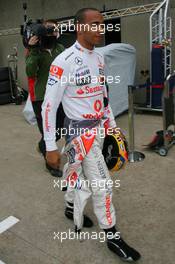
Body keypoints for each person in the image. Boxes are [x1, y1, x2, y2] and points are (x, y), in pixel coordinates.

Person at [42, 8, 141, 262]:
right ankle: (111, 236)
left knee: (80, 175)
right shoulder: (63, 61)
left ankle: (69, 206)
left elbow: (103, 97)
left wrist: (110, 127)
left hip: (99, 129)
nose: (101, 29)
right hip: (79, 133)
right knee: (103, 185)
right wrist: (51, 147)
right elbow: (49, 106)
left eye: (103, 24)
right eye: (95, 24)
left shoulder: (98, 58)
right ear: (79, 27)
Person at [26, 20, 65, 177]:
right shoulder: (33, 51)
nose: (51, 33)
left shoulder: (60, 48)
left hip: (60, 95)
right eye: (48, 30)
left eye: (54, 30)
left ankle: (42, 144)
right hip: (41, 97)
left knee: (59, 130)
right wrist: (33, 49)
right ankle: (51, 165)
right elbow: (30, 72)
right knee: (48, 131)